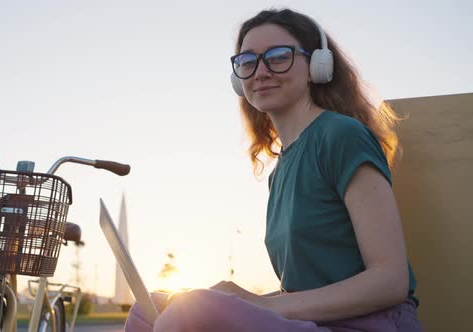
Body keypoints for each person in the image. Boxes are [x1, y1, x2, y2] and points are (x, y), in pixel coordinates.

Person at [125, 8, 422, 331]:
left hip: (370, 325)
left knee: (193, 310)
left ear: (317, 67)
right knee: (149, 309)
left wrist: (261, 305)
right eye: (248, 62)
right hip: (313, 323)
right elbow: (299, 295)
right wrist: (246, 301)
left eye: (279, 57)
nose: (260, 72)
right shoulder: (279, 173)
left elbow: (390, 281)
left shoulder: (341, 136)